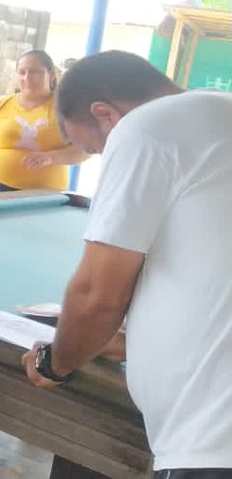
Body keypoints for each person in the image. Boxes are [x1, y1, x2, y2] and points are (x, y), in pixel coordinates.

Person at [21, 51, 232, 478]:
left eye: (96, 147)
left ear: (106, 115)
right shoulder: (216, 118)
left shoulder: (146, 127)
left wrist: (55, 363)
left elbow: (98, 295)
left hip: (211, 443)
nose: (105, 156)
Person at [0, 50, 88, 194]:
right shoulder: (2, 106)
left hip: (45, 196)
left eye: (34, 72)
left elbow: (84, 150)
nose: (27, 78)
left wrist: (50, 157)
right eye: (22, 72)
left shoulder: (66, 109)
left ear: (51, 75)